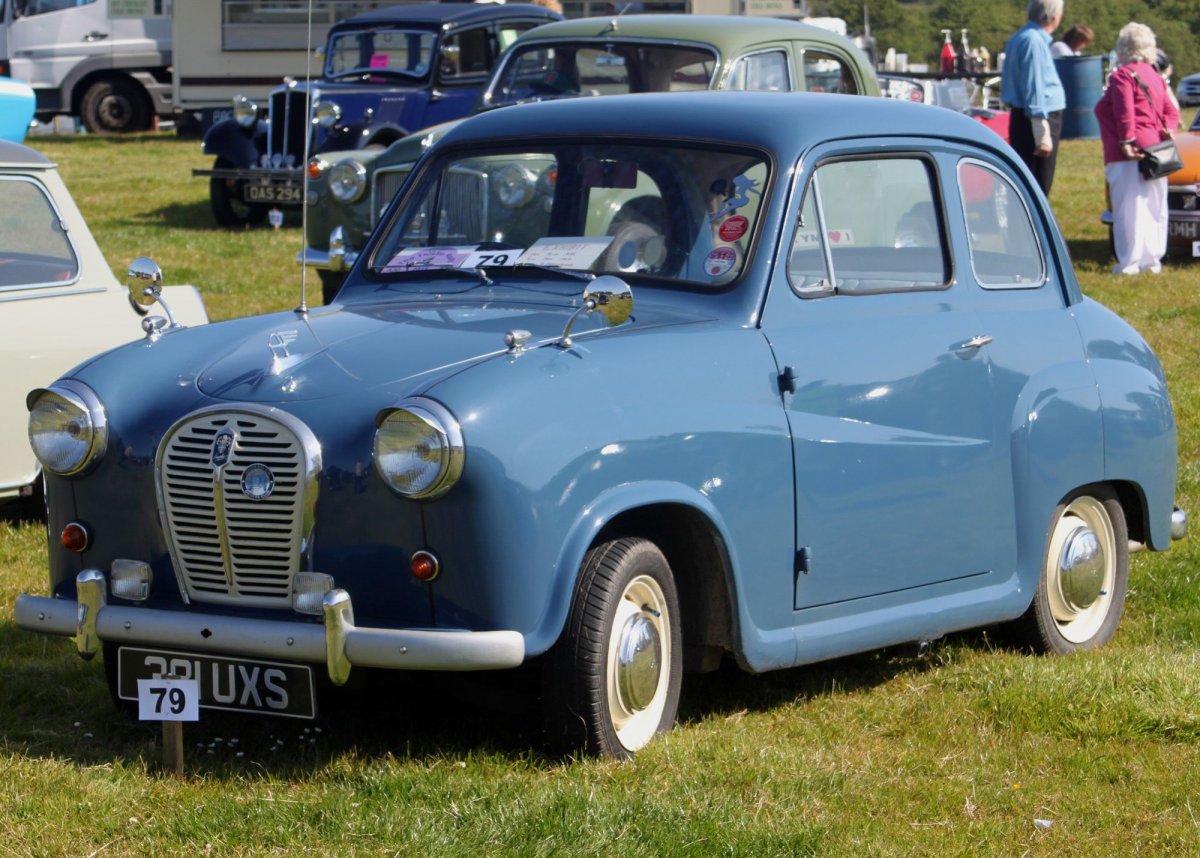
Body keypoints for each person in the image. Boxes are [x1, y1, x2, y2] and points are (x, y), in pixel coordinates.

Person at [1094, 22, 1180, 275]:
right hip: (1156, 148)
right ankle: (1152, 260)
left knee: (1128, 208)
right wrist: (1168, 130)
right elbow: (1172, 111)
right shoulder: (1155, 75)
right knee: (1154, 206)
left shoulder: (1122, 75)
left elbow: (1125, 112)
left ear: (1123, 47)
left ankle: (1130, 262)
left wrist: (1126, 140)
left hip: (1126, 152)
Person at [1001, 0, 1067, 196]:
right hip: (1037, 117)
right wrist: (1041, 131)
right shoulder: (1034, 41)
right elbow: (1034, 84)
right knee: (1039, 182)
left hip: (1026, 115)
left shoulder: (1021, 37)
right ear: (1054, 16)